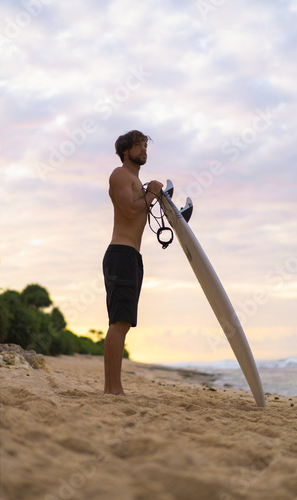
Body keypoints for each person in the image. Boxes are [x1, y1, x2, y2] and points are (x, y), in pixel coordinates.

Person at [102, 130, 163, 395]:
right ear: (126, 150)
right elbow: (128, 209)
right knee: (119, 322)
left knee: (124, 322)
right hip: (120, 254)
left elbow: (139, 205)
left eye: (146, 146)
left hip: (132, 257)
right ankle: (112, 390)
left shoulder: (137, 183)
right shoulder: (119, 174)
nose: (144, 150)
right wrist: (152, 194)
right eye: (139, 145)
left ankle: (114, 387)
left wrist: (150, 193)